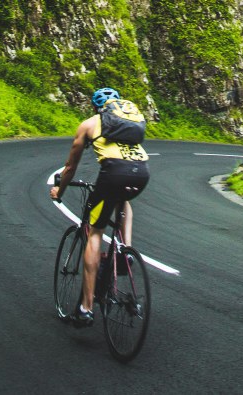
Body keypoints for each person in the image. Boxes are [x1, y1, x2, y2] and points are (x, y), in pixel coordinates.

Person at [50, 87, 150, 327]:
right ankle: (125, 251)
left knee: (95, 232)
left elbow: (70, 167)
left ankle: (85, 308)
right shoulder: (127, 125)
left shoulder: (89, 124)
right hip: (142, 173)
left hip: (114, 173)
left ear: (95, 107)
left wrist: (59, 191)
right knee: (121, 199)